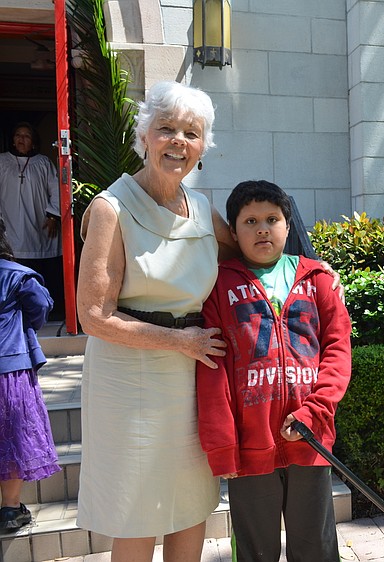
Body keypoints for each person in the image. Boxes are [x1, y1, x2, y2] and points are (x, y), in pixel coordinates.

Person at [75, 81, 238, 562]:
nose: (178, 141)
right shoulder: (112, 208)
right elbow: (93, 316)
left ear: (202, 147)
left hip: (193, 376)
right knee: (137, 510)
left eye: (192, 132)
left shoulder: (205, 211)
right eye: (166, 128)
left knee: (191, 505)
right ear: (144, 136)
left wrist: (313, 271)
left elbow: (252, 257)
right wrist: (179, 341)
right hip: (129, 380)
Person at [196, 180, 352, 562]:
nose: (262, 229)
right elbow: (212, 368)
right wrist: (223, 445)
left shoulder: (318, 281)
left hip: (310, 439)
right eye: (249, 221)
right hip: (250, 446)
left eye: (272, 219)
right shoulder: (217, 286)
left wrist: (314, 413)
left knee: (315, 546)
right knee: (255, 550)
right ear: (232, 232)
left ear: (288, 225)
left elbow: (337, 353)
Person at [0, 217, 60, 531]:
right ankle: (10, 509)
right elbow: (40, 305)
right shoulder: (18, 276)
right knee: (10, 436)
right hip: (9, 370)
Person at [0, 122, 63, 321]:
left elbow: (57, 190)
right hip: (8, 224)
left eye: (26, 136)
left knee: (39, 270)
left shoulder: (43, 163)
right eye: (18, 135)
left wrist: (53, 215)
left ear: (34, 142)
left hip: (38, 227)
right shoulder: (2, 161)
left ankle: (43, 313)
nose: (21, 139)